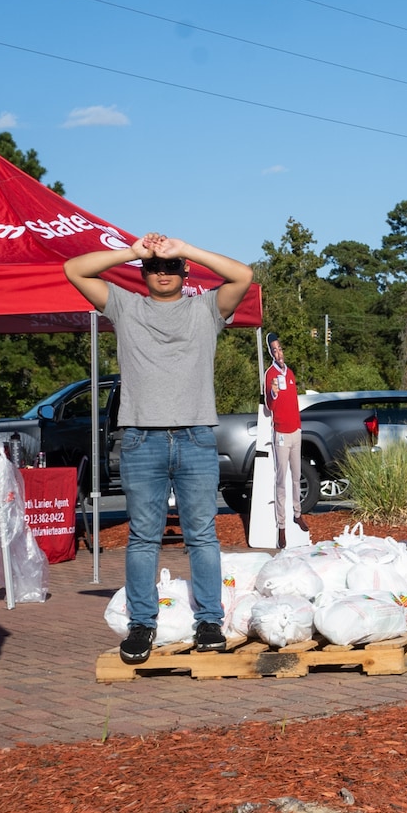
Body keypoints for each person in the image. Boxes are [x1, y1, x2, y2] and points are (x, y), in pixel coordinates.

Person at [63, 233, 254, 663]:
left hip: (195, 436)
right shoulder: (125, 306)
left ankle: (209, 621)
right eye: (153, 267)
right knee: (143, 537)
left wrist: (184, 249)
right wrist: (133, 252)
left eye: (170, 267)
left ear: (185, 272)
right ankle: (142, 625)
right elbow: (74, 269)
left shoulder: (206, 308)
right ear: (143, 273)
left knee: (201, 536)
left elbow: (243, 275)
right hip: (141, 438)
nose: (162, 273)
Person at [259, 332, 306, 544]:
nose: (279, 353)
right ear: (271, 353)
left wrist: (299, 427)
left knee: (297, 476)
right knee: (281, 480)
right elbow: (269, 406)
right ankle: (281, 526)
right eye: (274, 350)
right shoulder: (270, 375)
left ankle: (297, 513)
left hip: (295, 431)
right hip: (281, 434)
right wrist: (274, 393)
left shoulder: (290, 373)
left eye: (280, 349)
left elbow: (294, 403)